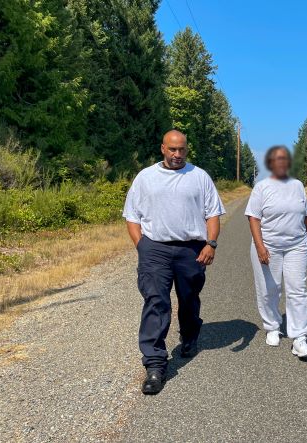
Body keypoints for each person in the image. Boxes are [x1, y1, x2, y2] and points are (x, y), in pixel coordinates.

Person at [123, 129, 225, 394]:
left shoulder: (199, 176)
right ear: (162, 148)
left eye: (181, 150)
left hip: (192, 249)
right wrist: (142, 246)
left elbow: (213, 214)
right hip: (155, 249)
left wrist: (210, 243)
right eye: (172, 149)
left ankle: (190, 334)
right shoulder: (145, 177)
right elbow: (132, 216)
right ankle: (155, 364)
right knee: (156, 302)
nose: (177, 154)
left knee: (189, 298)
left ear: (186, 150)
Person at [245, 145, 307, 358]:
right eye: (277, 160)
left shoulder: (298, 185)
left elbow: (306, 216)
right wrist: (260, 246)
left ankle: (299, 338)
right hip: (269, 245)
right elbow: (253, 218)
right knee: (269, 289)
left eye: (285, 159)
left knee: (298, 289)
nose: (282, 163)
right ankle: (272, 327)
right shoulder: (262, 187)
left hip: (296, 245)